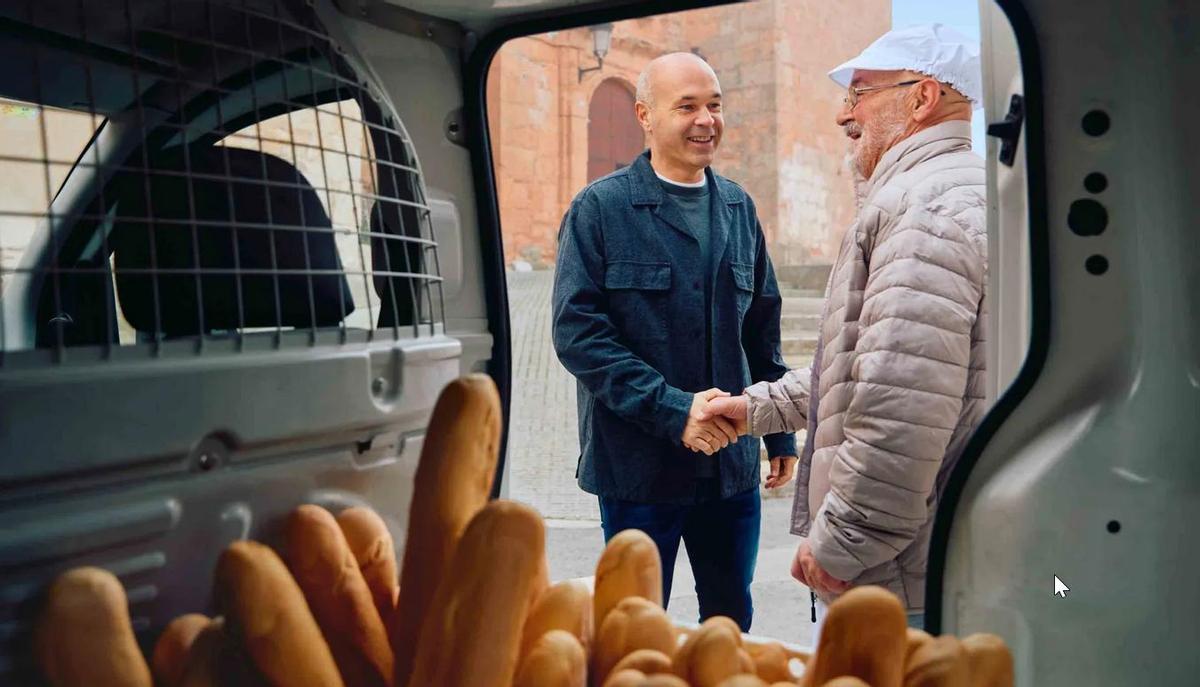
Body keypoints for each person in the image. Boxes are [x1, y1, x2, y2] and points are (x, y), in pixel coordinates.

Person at [700, 24, 988, 637]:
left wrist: (841, 544)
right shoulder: (947, 195)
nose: (841, 114)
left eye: (859, 94)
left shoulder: (923, 212)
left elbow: (899, 407)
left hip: (903, 580)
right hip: (930, 560)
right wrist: (754, 408)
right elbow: (862, 369)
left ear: (921, 97)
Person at [551, 52, 796, 631]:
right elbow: (578, 334)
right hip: (638, 468)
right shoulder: (600, 209)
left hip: (729, 469)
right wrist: (674, 409)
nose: (706, 119)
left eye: (714, 105)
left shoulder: (739, 207)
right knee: (633, 626)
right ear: (644, 114)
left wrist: (780, 430)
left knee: (730, 621)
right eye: (686, 106)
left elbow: (762, 329)